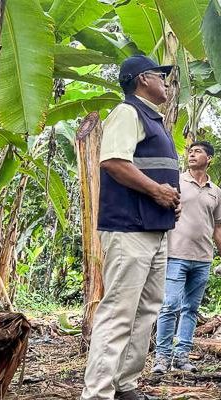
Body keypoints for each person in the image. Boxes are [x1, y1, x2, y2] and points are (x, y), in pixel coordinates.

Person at [80, 55, 180, 400]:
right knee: (120, 311)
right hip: (129, 229)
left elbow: (149, 168)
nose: (165, 81)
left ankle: (125, 384)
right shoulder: (128, 112)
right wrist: (156, 190)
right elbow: (113, 162)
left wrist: (168, 199)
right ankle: (97, 394)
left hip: (154, 229)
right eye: (160, 75)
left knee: (147, 308)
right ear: (142, 80)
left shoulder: (154, 119)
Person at [151, 141, 221, 374]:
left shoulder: (214, 191)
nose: (192, 154)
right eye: (190, 151)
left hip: (203, 258)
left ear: (210, 158)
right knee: (170, 305)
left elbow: (219, 226)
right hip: (175, 254)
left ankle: (182, 356)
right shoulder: (176, 181)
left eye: (198, 151)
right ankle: (161, 358)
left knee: (190, 308)